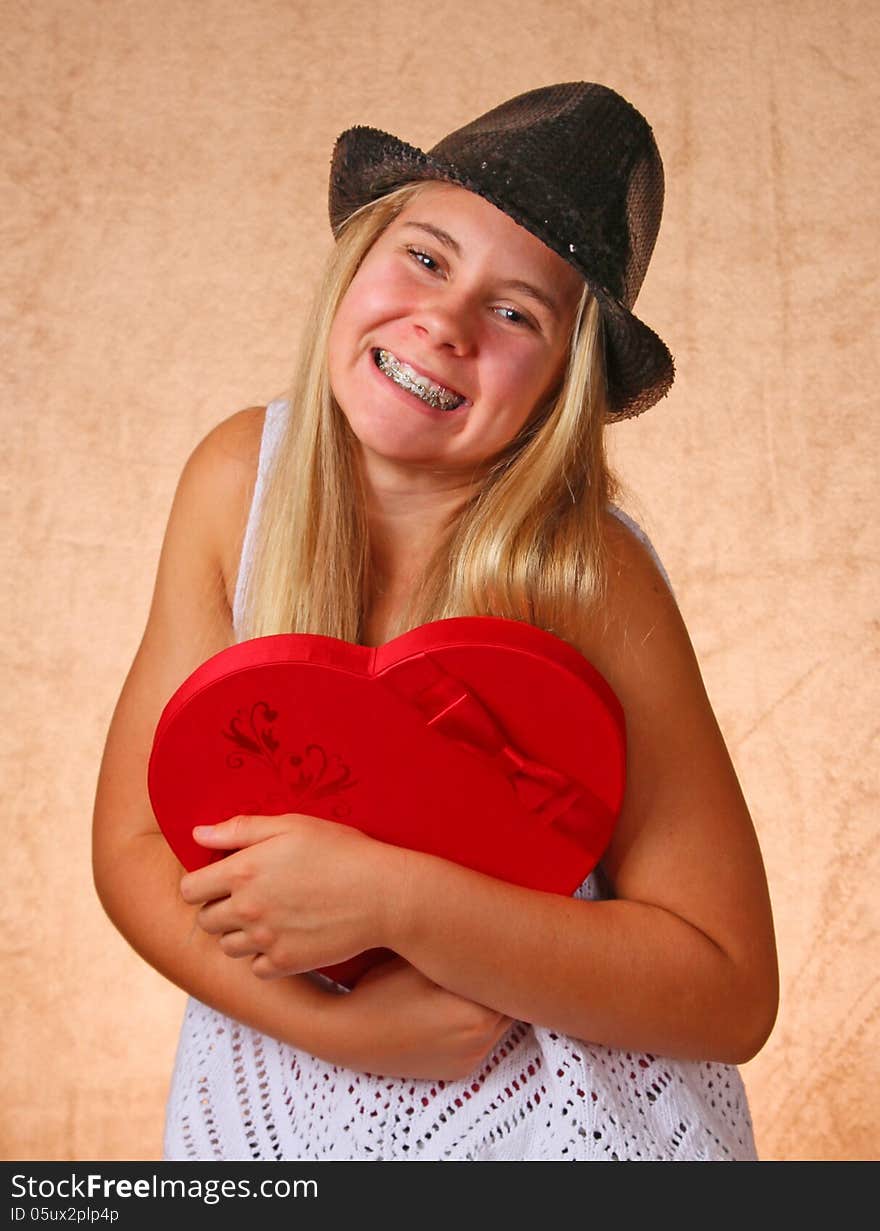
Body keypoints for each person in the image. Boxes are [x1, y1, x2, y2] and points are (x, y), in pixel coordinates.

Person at [92, 82, 778, 1161]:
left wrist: (397, 903)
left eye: (516, 313)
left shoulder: (588, 573)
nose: (446, 324)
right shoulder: (241, 483)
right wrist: (341, 1025)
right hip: (286, 1112)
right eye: (425, 256)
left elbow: (728, 988)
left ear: (563, 380)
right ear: (358, 259)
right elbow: (134, 846)